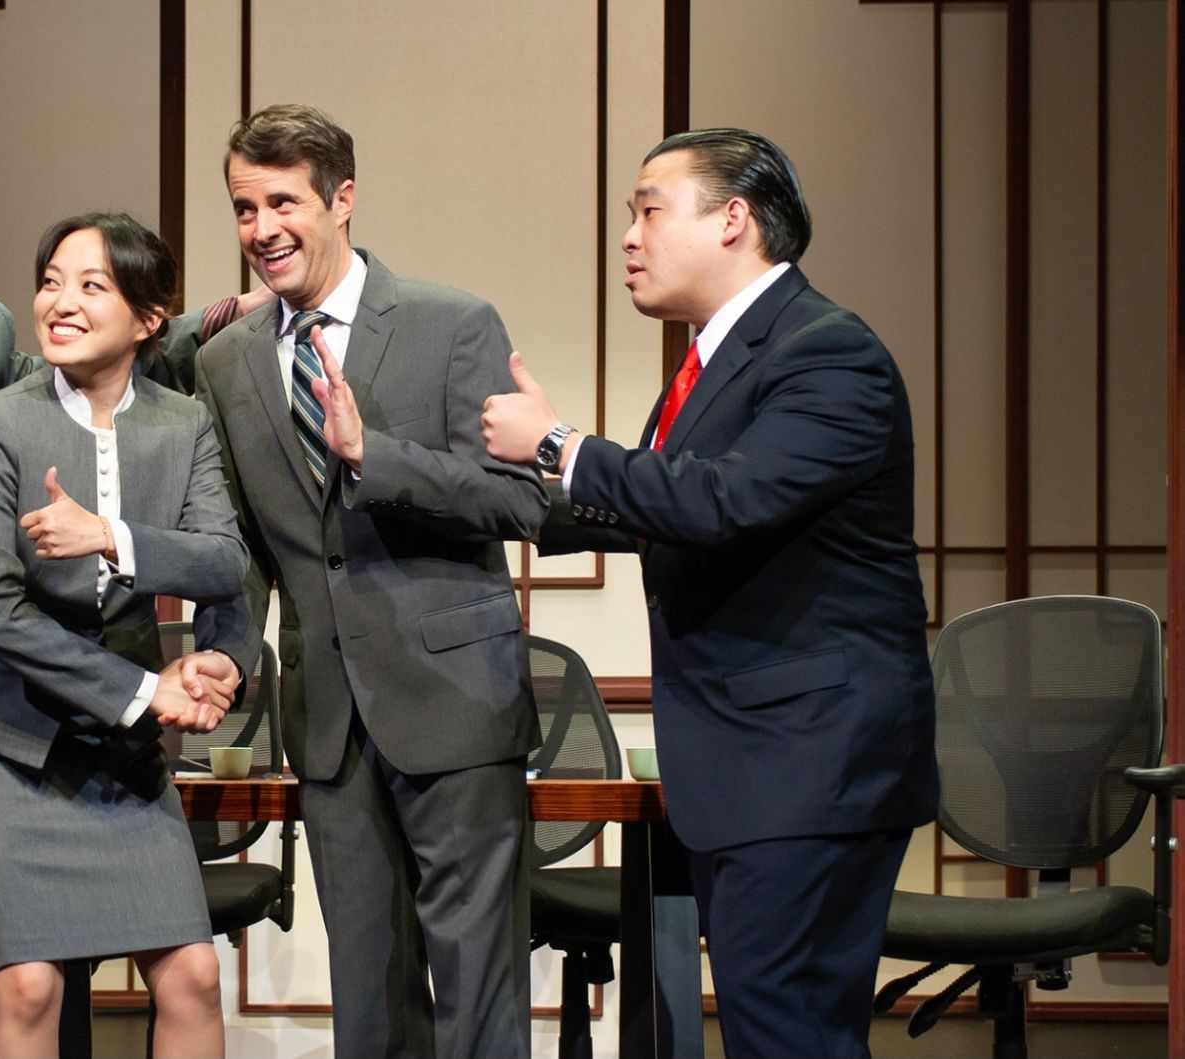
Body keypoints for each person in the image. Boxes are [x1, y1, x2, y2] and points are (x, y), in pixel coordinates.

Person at [481, 127, 938, 1058]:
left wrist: (559, 444)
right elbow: (648, 510)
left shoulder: (827, 351)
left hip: (811, 764)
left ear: (734, 220)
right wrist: (446, 494)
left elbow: (724, 500)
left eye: (649, 209)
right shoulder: (705, 367)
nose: (628, 236)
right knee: (774, 1027)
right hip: (751, 765)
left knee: (788, 1030)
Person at [189, 104, 549, 1058]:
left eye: (281, 202)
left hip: (454, 703)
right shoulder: (224, 362)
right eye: (241, 207)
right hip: (326, 717)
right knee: (368, 993)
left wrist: (372, 455)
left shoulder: (450, 322)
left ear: (342, 200)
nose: (260, 228)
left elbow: (521, 502)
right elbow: (241, 550)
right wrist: (223, 655)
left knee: (477, 990)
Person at [0, 212, 245, 1058]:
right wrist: (147, 690)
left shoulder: (184, 424)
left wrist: (112, 538)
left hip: (119, 750)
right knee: (31, 982)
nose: (59, 302)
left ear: (148, 320)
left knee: (191, 973)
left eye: (90, 286)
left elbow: (223, 562)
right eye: (51, 281)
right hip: (0, 738)